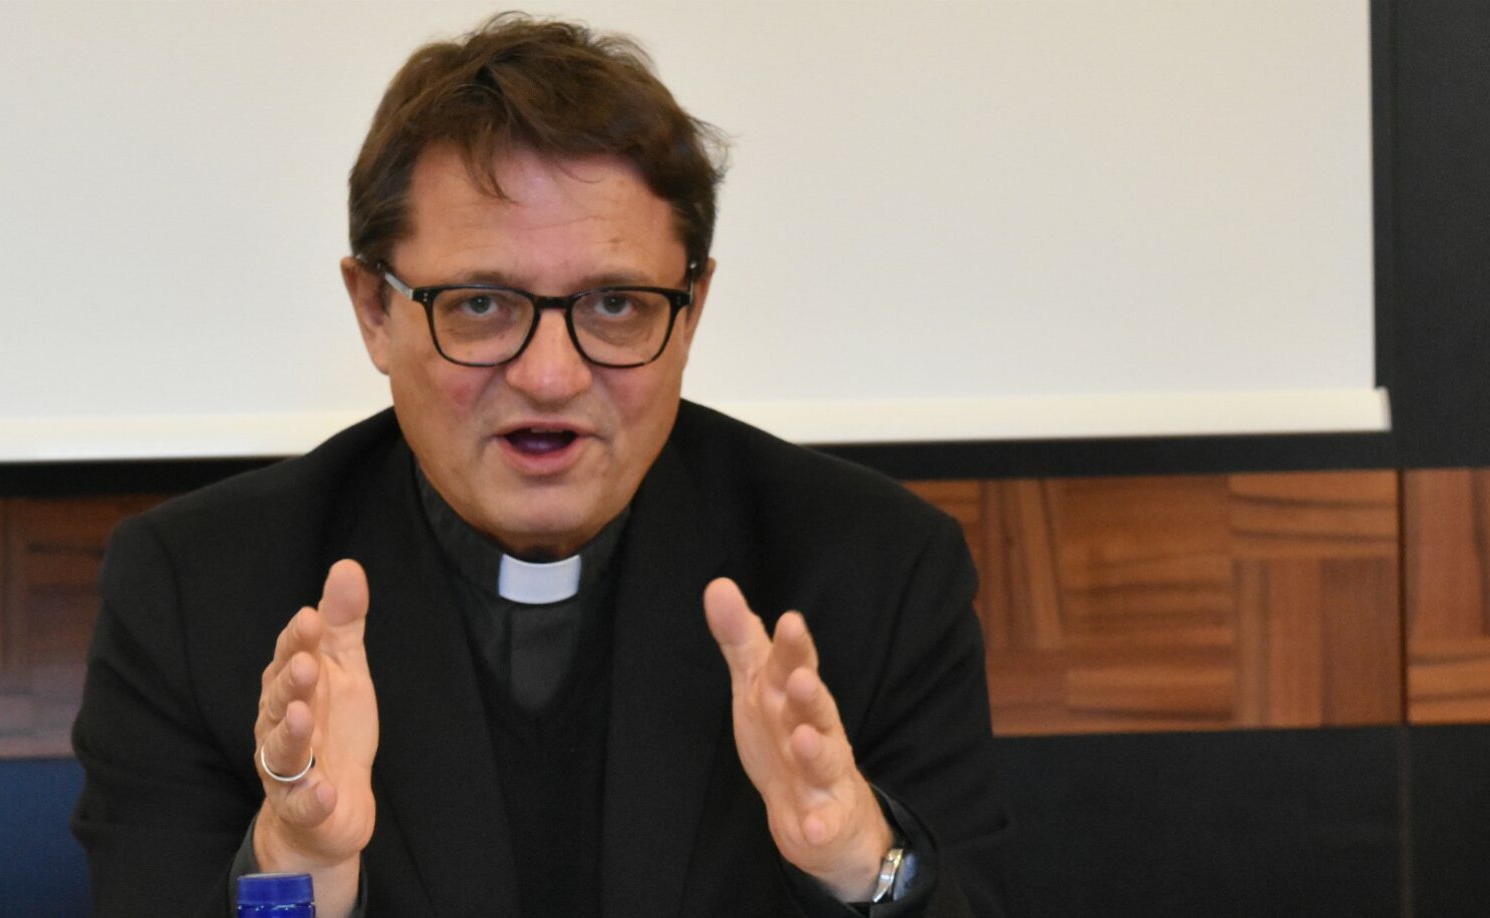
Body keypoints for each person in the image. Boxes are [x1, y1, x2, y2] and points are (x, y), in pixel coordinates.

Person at [73, 13, 1008, 917]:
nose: (551, 374)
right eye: (480, 304)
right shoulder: (197, 590)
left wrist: (856, 865)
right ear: (372, 312)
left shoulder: (878, 571)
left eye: (615, 304)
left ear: (692, 309)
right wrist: (298, 869)